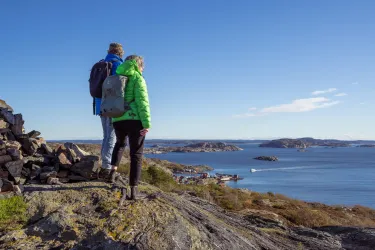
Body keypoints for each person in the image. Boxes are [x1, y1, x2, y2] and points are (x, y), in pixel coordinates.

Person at [110, 55, 151, 200]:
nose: (143, 68)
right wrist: (146, 124)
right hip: (134, 119)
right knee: (136, 155)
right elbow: (142, 102)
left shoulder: (116, 76)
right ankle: (133, 191)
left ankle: (112, 173)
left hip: (117, 118)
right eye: (143, 65)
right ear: (139, 64)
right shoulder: (138, 78)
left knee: (119, 144)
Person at [96, 43, 124, 180]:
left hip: (99, 105)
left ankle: (103, 166)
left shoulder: (102, 63)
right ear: (120, 52)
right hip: (111, 106)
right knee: (111, 137)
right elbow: (119, 87)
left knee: (106, 136)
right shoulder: (117, 64)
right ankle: (106, 168)